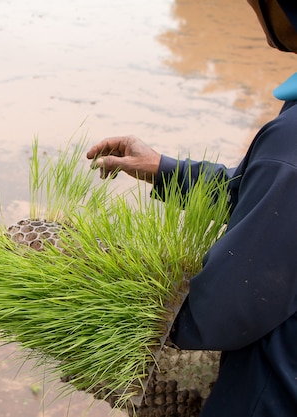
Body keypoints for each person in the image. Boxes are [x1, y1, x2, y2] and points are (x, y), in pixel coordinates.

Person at [86, 1, 297, 416]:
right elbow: (268, 202)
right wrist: (164, 169)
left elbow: (234, 302)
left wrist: (121, 309)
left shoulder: (291, 142)